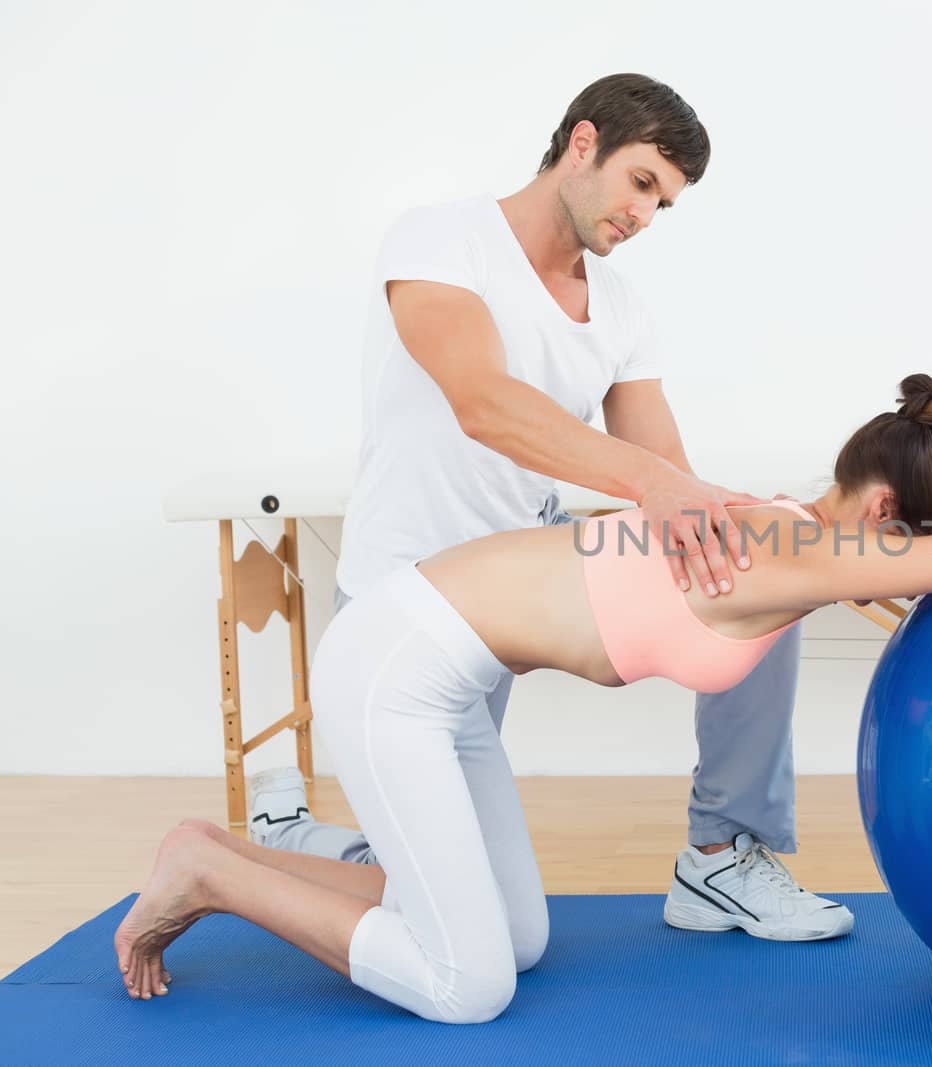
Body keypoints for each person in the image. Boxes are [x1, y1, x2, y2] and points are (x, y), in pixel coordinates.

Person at [113, 373, 932, 1022]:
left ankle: (235, 850)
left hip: (452, 671)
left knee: (520, 939)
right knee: (465, 984)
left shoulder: (792, 526)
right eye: (929, 545)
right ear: (885, 517)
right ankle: (210, 868)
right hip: (396, 665)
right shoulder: (789, 549)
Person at [246, 73, 843, 941]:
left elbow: (661, 465)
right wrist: (656, 486)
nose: (645, 216)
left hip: (519, 598)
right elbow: (483, 403)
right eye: (642, 183)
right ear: (583, 142)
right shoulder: (444, 239)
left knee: (762, 568)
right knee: (452, 906)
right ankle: (284, 834)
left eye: (664, 206)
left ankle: (720, 855)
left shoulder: (624, 310)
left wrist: (763, 526)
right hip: (406, 598)